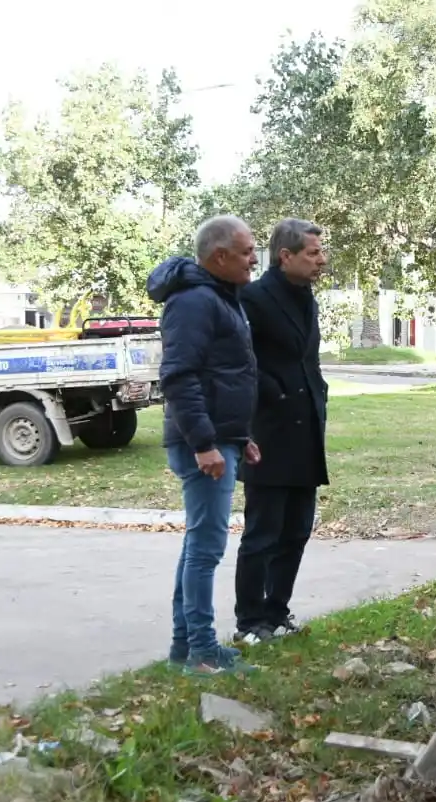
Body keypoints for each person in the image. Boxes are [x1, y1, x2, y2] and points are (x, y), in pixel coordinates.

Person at [150, 215, 261, 675]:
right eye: (246, 251)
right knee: (206, 549)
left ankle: (184, 649)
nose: (255, 258)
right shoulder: (196, 302)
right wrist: (205, 443)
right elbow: (179, 376)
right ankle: (200, 651)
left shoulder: (221, 297)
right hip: (203, 444)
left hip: (221, 438)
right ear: (219, 257)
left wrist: (240, 436)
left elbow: (226, 375)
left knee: (199, 544)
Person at [232, 219, 330, 645]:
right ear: (284, 256)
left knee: (296, 531)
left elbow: (308, 360)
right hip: (269, 434)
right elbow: (242, 362)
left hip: (307, 431)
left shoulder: (307, 298)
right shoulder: (253, 298)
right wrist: (274, 395)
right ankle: (250, 620)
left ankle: (277, 611)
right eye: (312, 253)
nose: (321, 261)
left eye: (320, 253)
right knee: (263, 533)